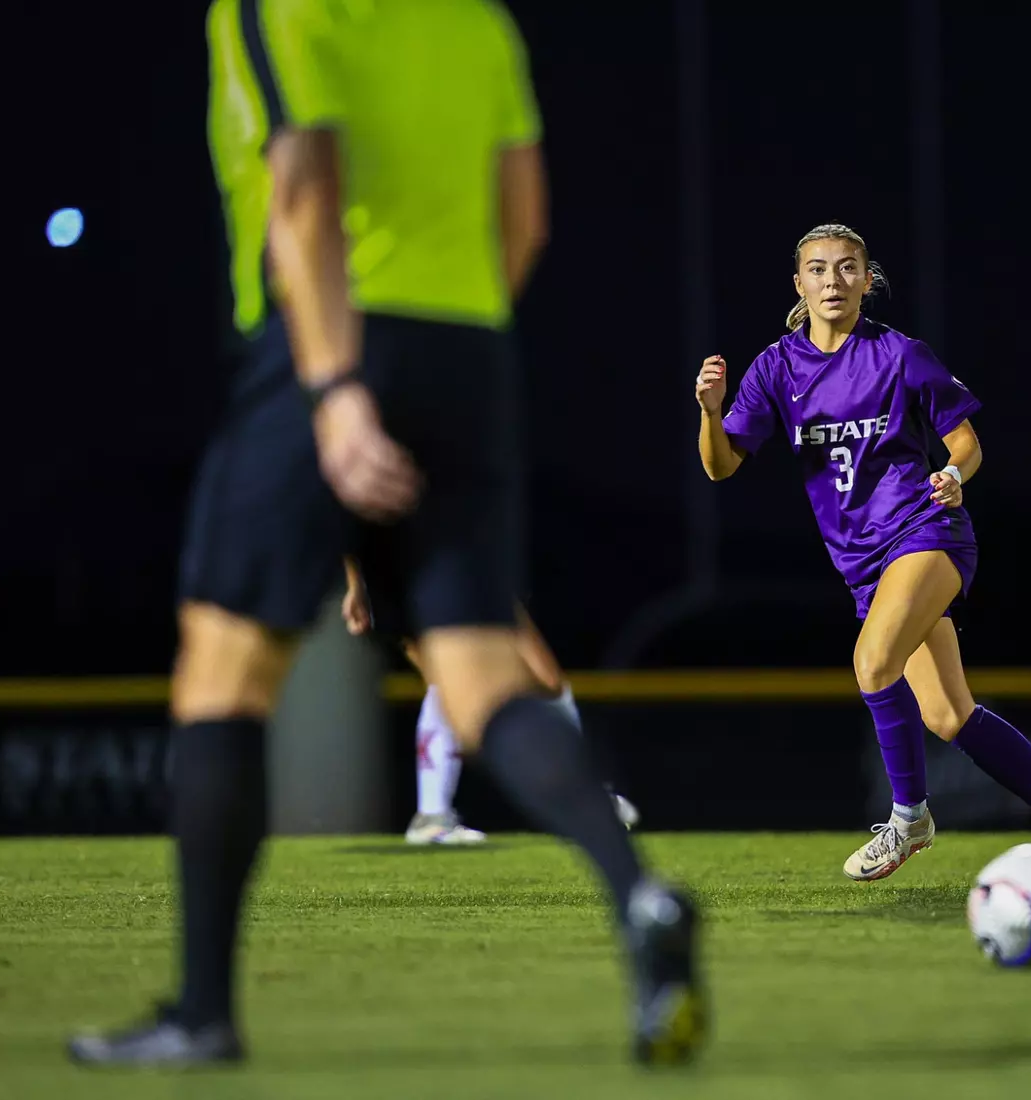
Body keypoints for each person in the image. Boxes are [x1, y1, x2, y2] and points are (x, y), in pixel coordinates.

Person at [69, 0, 704, 1067]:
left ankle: (204, 1013)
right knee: (488, 681)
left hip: (325, 339)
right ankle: (640, 896)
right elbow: (528, 219)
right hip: (472, 355)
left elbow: (304, 186)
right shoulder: (480, 25)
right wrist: (441, 366)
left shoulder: (276, 9)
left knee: (222, 677)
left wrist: (339, 387)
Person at [695, 223, 1031, 884]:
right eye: (818, 270)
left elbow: (967, 443)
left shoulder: (900, 356)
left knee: (872, 661)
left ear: (868, 280)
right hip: (864, 566)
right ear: (799, 285)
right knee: (949, 714)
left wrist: (954, 473)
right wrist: (709, 410)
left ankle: (909, 818)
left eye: (846, 269)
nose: (832, 282)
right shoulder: (777, 367)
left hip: (925, 534)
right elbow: (722, 466)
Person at [338, 559, 641, 844]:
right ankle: (432, 815)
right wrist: (356, 583)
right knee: (452, 681)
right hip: (411, 567)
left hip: (447, 562)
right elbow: (354, 514)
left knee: (541, 679)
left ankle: (585, 796)